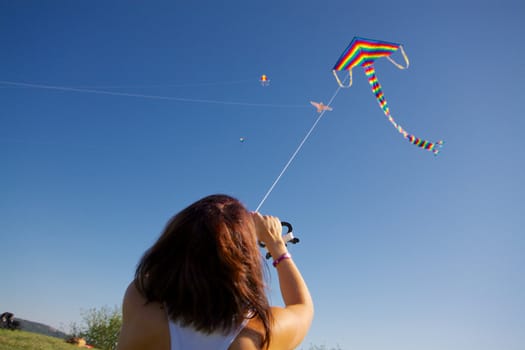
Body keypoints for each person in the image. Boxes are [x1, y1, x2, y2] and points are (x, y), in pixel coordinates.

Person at [116, 194, 313, 350]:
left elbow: (164, 269)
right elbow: (302, 306)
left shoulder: (140, 300)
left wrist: (228, 230)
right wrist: (276, 244)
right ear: (245, 264)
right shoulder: (257, 335)